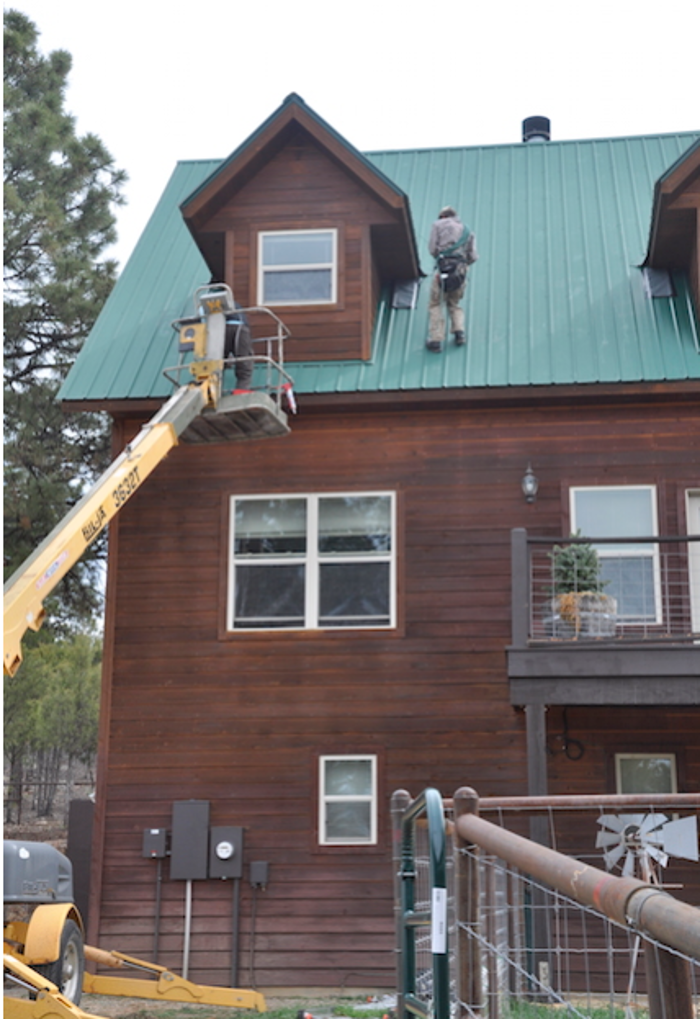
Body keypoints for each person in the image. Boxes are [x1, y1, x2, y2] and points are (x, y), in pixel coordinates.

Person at [427, 206, 477, 352]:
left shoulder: (437, 225)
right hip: (460, 271)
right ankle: (459, 333)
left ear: (442, 216)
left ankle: (436, 340)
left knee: (436, 304)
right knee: (454, 303)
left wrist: (441, 256)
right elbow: (473, 256)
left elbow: (432, 248)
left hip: (443, 269)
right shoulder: (468, 231)